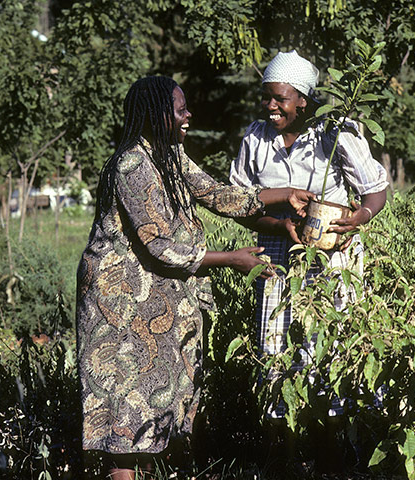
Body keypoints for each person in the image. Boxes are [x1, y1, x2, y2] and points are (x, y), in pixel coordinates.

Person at [75, 75, 314, 480]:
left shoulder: (169, 154)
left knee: (155, 412)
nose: (189, 116)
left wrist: (285, 193)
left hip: (156, 298)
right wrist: (229, 259)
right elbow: (160, 244)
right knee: (126, 422)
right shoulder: (133, 163)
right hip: (120, 306)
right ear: (155, 114)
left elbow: (218, 195)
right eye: (180, 110)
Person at [229, 50, 389, 468]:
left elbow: (375, 187)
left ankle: (333, 448)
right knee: (274, 345)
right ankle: (282, 452)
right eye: (267, 97)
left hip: (331, 253)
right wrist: (278, 224)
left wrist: (361, 216)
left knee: (329, 344)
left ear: (303, 99)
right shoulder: (254, 138)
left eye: (280, 98)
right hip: (277, 254)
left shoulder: (335, 131)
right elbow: (239, 202)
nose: (271, 106)